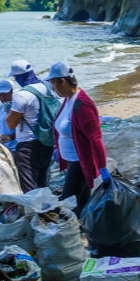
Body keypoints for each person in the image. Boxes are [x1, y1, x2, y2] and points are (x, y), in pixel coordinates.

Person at [47, 62, 107, 214]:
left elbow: (95, 138)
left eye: (54, 84)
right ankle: (89, 232)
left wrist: (103, 168)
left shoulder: (82, 104)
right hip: (71, 161)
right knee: (81, 204)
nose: (53, 89)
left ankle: (75, 233)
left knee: (67, 205)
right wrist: (58, 150)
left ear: (63, 81)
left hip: (79, 163)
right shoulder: (68, 99)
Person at [4, 60, 57, 191]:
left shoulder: (22, 95)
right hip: (47, 142)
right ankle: (46, 210)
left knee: (30, 190)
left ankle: (36, 211)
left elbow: (11, 124)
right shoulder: (46, 88)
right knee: (42, 185)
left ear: (18, 76)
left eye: (15, 77)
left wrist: (9, 111)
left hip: (28, 147)